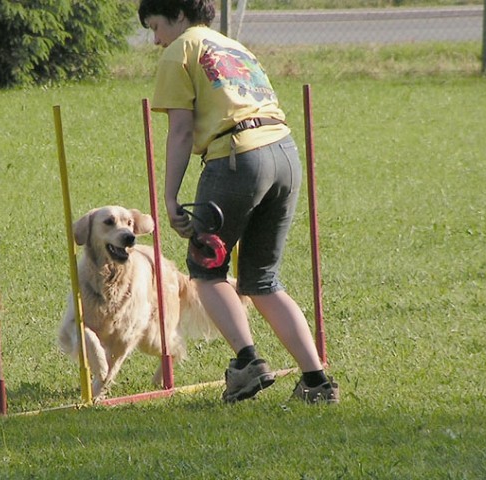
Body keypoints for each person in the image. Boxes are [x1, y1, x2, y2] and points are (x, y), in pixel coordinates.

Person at [138, 0, 338, 404]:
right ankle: (317, 383)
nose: (155, 39)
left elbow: (180, 131)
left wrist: (170, 195)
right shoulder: (234, 46)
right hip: (284, 153)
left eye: (156, 26)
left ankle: (247, 364)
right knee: (262, 280)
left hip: (237, 158)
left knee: (205, 269)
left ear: (177, 16)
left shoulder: (181, 50)